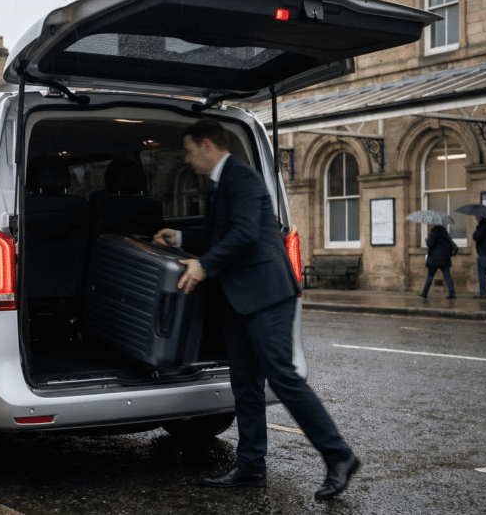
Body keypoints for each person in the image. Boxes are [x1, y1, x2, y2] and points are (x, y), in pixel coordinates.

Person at [153, 119, 359, 501]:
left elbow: (245, 234)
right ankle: (250, 466)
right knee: (244, 386)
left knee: (283, 378)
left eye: (188, 149)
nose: (186, 158)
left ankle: (339, 456)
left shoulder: (241, 177)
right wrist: (180, 238)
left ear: (208, 146)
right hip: (240, 297)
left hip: (265, 295)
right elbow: (222, 234)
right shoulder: (221, 181)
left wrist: (205, 265)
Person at [419, 224, 456, 299]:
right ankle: (452, 293)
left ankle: (425, 292)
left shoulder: (432, 233)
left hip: (434, 259)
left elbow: (430, 244)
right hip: (445, 258)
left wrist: (427, 240)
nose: (430, 226)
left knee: (430, 276)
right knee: (447, 276)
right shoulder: (445, 233)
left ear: (434, 225)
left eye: (431, 225)